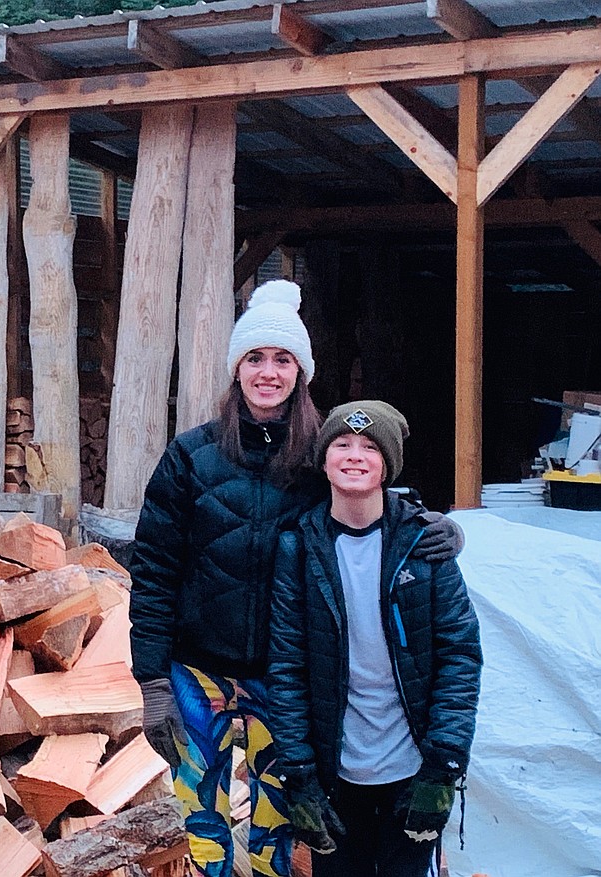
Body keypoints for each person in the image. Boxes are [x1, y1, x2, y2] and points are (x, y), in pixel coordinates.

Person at [128, 280, 463, 877]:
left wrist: (440, 531)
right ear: (237, 370)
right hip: (195, 669)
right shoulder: (190, 457)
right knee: (202, 821)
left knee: (276, 824)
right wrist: (151, 677)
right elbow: (153, 570)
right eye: (255, 358)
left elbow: (372, 495)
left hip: (282, 681)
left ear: (300, 373)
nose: (268, 372)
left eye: (282, 360)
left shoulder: (317, 457)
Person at [266, 401, 482, 877]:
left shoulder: (424, 546)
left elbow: (460, 655)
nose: (354, 455)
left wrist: (444, 765)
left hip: (411, 765)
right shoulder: (299, 548)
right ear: (323, 461)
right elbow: (286, 667)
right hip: (335, 772)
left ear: (388, 464)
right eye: (341, 444)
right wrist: (298, 774)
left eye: (369, 446)